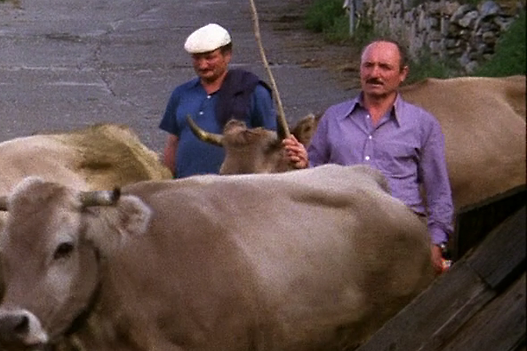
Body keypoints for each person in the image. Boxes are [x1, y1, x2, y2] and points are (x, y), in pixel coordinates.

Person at [282, 40, 453, 273]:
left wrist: (436, 244)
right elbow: (316, 175)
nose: (374, 74)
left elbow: (439, 192)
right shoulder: (334, 118)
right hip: (343, 237)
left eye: (385, 67)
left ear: (403, 74)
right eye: (368, 66)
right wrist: (304, 164)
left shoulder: (422, 124)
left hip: (402, 236)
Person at [159, 23, 277, 177]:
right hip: (186, 189)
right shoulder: (181, 93)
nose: (202, 65)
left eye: (209, 57)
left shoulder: (254, 92)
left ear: (227, 55)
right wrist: (166, 179)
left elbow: (271, 144)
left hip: (233, 189)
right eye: (196, 58)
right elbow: (173, 142)